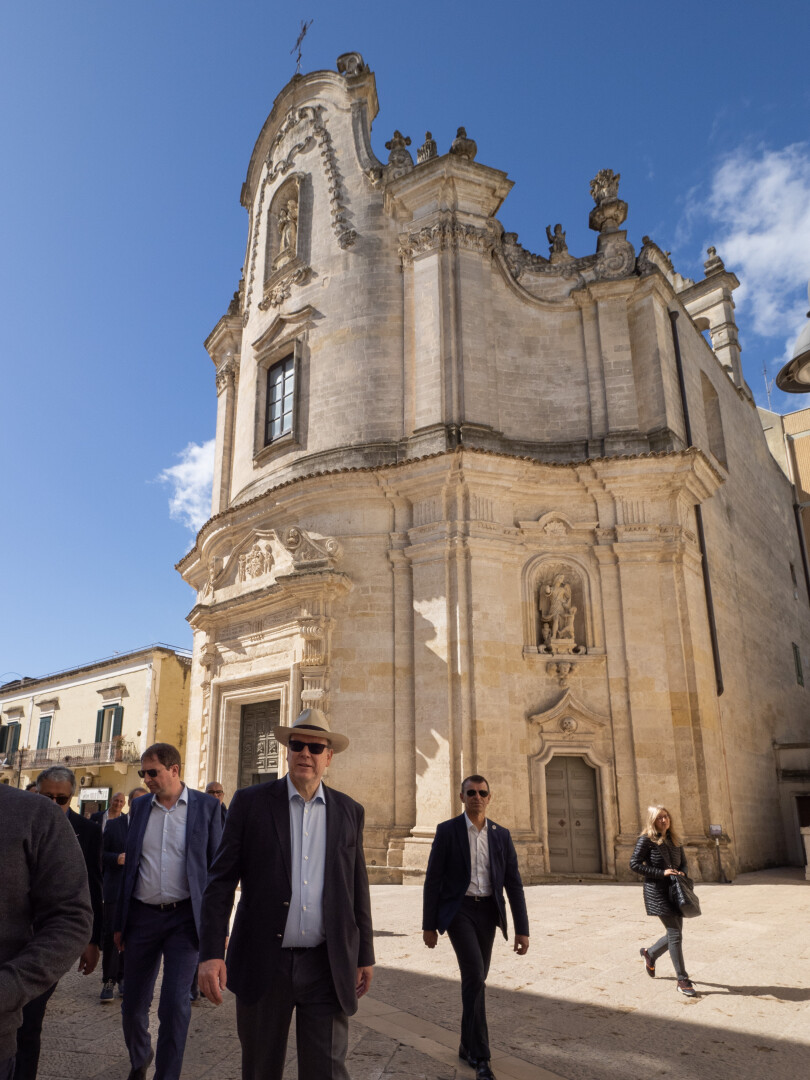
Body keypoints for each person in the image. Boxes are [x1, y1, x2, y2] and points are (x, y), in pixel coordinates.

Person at [198, 708, 374, 1080]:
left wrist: (365, 954)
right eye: (297, 745)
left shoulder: (349, 811)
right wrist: (212, 952)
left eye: (315, 746)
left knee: (326, 1070)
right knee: (261, 1069)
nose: (305, 753)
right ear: (287, 750)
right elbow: (220, 882)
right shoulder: (250, 804)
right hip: (265, 961)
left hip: (326, 965)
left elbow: (357, 887)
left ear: (329, 756)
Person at [114, 743, 223, 1080]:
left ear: (174, 770)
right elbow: (131, 867)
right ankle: (140, 1057)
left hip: (184, 919)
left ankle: (167, 1075)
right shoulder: (139, 807)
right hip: (142, 917)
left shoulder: (207, 808)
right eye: (143, 773)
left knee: (175, 1005)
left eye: (153, 772)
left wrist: (218, 932)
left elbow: (219, 873)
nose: (146, 779)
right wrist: (119, 922)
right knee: (132, 1005)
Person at [423, 775, 530, 1080]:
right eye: (471, 792)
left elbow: (514, 884)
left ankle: (465, 1043)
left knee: (477, 980)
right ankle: (481, 1056)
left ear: (489, 797)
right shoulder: (447, 831)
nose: (476, 797)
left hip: (489, 914)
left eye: (482, 792)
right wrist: (429, 925)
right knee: (474, 975)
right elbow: (433, 880)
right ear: (461, 797)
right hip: (460, 911)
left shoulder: (501, 835)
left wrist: (522, 929)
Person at [15, 766, 104, 1080]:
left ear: (72, 798)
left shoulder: (88, 831)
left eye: (61, 799)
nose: (53, 805)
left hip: (47, 943)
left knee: (29, 1020)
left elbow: (93, 885)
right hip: (13, 935)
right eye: (46, 797)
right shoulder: (15, 822)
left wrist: (92, 941)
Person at [630, 804, 697, 997]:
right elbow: (634, 864)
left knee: (675, 934)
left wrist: (682, 870)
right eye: (660, 817)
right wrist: (661, 872)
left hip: (676, 891)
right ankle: (682, 979)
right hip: (657, 891)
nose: (664, 820)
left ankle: (650, 953)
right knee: (675, 934)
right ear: (652, 820)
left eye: (666, 816)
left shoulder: (674, 840)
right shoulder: (646, 840)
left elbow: (683, 861)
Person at [98, 787, 149, 1002]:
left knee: (132, 937)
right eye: (136, 801)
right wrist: (115, 858)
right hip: (115, 890)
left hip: (139, 892)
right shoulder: (113, 825)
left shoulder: (150, 828)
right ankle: (108, 981)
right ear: (129, 803)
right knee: (111, 936)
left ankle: (124, 978)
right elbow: (100, 855)